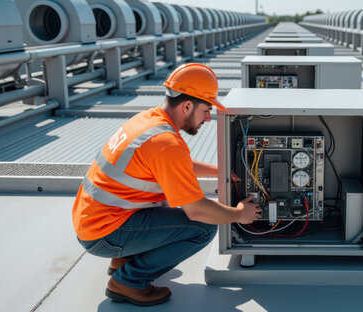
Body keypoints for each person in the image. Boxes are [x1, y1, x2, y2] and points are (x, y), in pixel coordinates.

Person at [72, 63, 261, 306]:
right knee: (203, 229)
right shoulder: (166, 143)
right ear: (187, 105)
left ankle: (123, 260)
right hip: (104, 233)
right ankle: (127, 282)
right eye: (206, 109)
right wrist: (239, 214)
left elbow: (178, 165)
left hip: (94, 220)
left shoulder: (150, 120)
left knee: (167, 203)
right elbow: (197, 211)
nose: (207, 117)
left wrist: (221, 172)